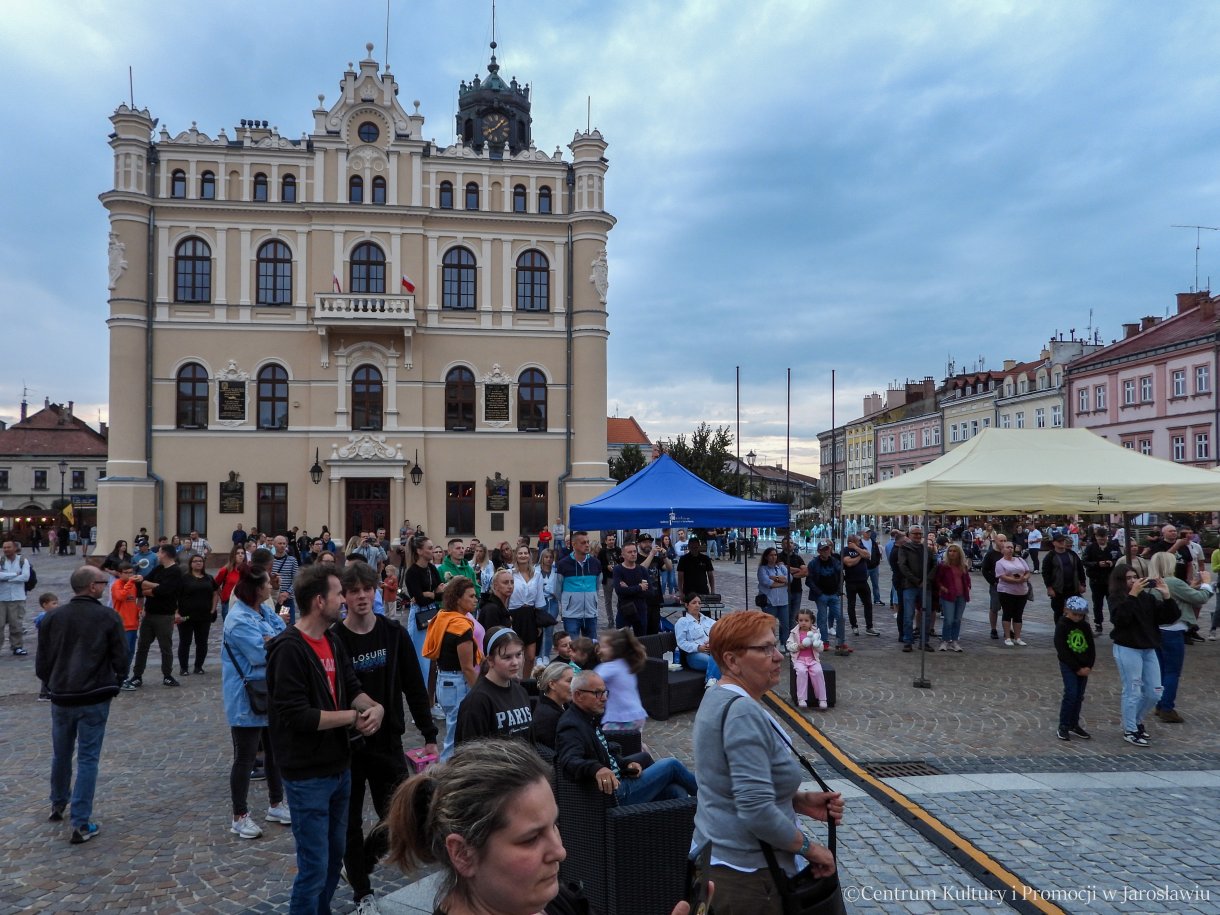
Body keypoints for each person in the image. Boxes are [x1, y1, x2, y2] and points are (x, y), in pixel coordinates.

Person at [691, 610, 843, 913]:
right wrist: (812, 850)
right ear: (732, 661)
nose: (778, 656)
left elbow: (730, 784)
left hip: (722, 861)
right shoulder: (742, 712)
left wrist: (797, 800)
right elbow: (756, 810)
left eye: (775, 646)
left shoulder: (719, 697)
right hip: (748, 878)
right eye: (765, 649)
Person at [266, 563, 385, 915]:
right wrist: (352, 718)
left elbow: (350, 687)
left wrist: (372, 706)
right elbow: (296, 715)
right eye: (338, 595)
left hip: (339, 766)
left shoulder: (332, 639)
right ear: (320, 601)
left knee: (334, 861)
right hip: (307, 775)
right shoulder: (288, 649)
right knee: (314, 867)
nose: (345, 601)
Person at [332, 561, 438, 912]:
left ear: (376, 591)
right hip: (347, 746)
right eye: (354, 591)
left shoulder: (393, 634)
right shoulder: (334, 640)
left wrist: (428, 732)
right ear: (344, 596)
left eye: (367, 589)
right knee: (348, 822)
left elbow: (413, 686)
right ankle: (363, 893)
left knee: (398, 818)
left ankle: (358, 862)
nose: (361, 596)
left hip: (387, 742)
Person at [37, 566, 128, 843]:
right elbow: (121, 659)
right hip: (94, 695)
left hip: (62, 695)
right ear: (92, 587)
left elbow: (42, 663)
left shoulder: (53, 617)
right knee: (88, 758)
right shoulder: (108, 616)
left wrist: (53, 682)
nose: (104, 586)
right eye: (102, 582)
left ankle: (58, 803)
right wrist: (115, 680)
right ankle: (80, 821)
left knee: (61, 753)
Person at [556, 669, 696, 805]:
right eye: (597, 693)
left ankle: (683, 823)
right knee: (672, 765)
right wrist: (596, 769)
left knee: (677, 791)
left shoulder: (589, 717)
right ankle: (712, 798)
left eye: (604, 692)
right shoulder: (571, 725)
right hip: (616, 794)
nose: (604, 698)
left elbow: (606, 753)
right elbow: (568, 761)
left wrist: (625, 764)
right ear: (578, 695)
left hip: (622, 781)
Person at [221, 566, 289, 840]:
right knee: (245, 757)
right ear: (255, 589)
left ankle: (276, 804)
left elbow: (282, 635)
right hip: (246, 696)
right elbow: (261, 654)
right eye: (266, 583)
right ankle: (239, 816)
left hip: (269, 692)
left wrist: (275, 640)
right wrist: (274, 641)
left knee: (275, 753)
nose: (271, 585)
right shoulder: (238, 619)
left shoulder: (263, 611)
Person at [1108, 565, 1178, 746]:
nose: (1132, 581)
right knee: (1133, 691)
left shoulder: (1146, 598)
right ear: (1120, 581)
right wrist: (1132, 595)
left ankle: (1137, 721)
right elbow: (1120, 619)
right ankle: (1130, 729)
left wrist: (1166, 596)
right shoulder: (1117, 598)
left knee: (1155, 692)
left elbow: (1168, 617)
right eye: (1128, 578)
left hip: (1148, 648)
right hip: (1127, 648)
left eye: (1134, 577)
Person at [1147, 550, 1214, 725]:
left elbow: (1177, 596)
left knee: (1161, 671)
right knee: (1172, 672)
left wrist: (1191, 586)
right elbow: (1200, 598)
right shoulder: (1173, 581)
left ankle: (1160, 704)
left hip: (1157, 630)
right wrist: (1207, 583)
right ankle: (1167, 708)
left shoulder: (1151, 582)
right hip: (1173, 630)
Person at [422, 578, 481, 761]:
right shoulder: (461, 627)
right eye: (470, 596)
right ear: (458, 599)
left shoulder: (443, 617)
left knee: (454, 730)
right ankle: (447, 774)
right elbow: (467, 668)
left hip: (444, 682)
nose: (475, 599)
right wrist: (482, 690)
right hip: (457, 684)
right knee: (454, 738)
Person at [454, 626, 533, 746]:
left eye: (518, 654)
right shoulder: (477, 701)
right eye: (507, 657)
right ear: (490, 660)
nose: (515, 662)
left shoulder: (521, 692)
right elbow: (469, 754)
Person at [125, 545, 184, 688]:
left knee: (165, 647)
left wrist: (151, 588)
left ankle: (167, 676)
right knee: (143, 646)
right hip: (149, 613)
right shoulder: (158, 569)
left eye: (159, 551)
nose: (157, 554)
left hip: (165, 615)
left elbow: (166, 591)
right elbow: (141, 585)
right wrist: (154, 586)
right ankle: (137, 676)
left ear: (165, 554)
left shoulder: (175, 571)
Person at [1054, 595, 1095, 742]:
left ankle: (1074, 723)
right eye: (1075, 614)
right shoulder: (1062, 625)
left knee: (1079, 696)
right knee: (1071, 694)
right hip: (1070, 665)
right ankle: (1063, 726)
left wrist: (1089, 666)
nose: (1077, 618)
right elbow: (1062, 650)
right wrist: (1077, 667)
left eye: (1081, 615)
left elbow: (1091, 647)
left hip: (1084, 665)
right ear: (1067, 611)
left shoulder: (1084, 626)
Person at [594, 627, 648, 736]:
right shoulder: (626, 663)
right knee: (633, 744)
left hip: (621, 717)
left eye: (604, 646)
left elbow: (590, 680)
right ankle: (643, 752)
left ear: (615, 648)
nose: (600, 650)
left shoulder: (609, 667)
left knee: (607, 743)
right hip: (637, 715)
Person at [403, 535, 442, 682]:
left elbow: (442, 594)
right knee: (422, 657)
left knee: (434, 657)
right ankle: (423, 694)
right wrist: (434, 594)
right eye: (430, 548)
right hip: (420, 615)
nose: (433, 551)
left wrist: (430, 594)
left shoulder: (431, 568)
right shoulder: (412, 572)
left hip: (434, 612)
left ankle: (433, 697)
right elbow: (419, 600)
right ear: (419, 551)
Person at [895, 525, 937, 652]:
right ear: (909, 535)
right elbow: (903, 566)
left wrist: (926, 580)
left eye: (919, 534)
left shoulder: (928, 550)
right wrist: (917, 580)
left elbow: (934, 565)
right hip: (910, 585)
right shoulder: (904, 548)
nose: (918, 536)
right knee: (908, 615)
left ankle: (924, 642)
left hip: (926, 586)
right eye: (915, 534)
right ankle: (908, 641)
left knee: (927, 615)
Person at [177, 553, 218, 676]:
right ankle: (183, 668)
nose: (198, 563)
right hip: (186, 616)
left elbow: (215, 593)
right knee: (185, 642)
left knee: (202, 642)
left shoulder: (209, 578)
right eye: (195, 561)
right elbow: (176, 596)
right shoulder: (184, 578)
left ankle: (198, 666)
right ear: (191, 563)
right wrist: (176, 612)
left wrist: (213, 609)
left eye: (200, 561)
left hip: (204, 616)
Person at [555, 531, 601, 640]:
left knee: (591, 647)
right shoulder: (563, 564)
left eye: (588, 542)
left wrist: (592, 600)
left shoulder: (595, 563)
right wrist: (568, 603)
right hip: (571, 615)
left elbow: (597, 586)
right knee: (573, 648)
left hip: (591, 613)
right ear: (574, 544)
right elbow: (557, 589)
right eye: (583, 542)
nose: (587, 545)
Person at [806, 541, 845, 654]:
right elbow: (809, 580)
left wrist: (838, 590)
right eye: (823, 549)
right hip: (821, 595)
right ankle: (824, 641)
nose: (826, 551)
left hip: (833, 594)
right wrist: (818, 593)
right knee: (822, 619)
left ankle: (840, 642)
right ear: (819, 551)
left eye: (827, 549)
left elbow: (841, 575)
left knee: (840, 617)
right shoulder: (813, 563)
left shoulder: (834, 561)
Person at [508, 546, 542, 672]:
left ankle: (526, 683)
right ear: (516, 555)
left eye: (525, 553)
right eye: (520, 553)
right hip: (514, 614)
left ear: (529, 555)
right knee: (514, 654)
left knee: (531, 656)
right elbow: (506, 596)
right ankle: (514, 680)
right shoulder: (510, 573)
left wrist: (539, 623)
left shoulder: (537, 574)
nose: (523, 555)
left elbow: (539, 598)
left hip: (530, 615)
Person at [674, 593, 720, 687]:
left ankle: (713, 684)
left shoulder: (708, 620)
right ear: (687, 605)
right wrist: (698, 647)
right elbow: (681, 642)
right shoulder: (683, 622)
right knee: (720, 661)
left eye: (699, 603)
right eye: (694, 603)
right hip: (694, 655)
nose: (697, 605)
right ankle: (711, 682)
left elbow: (722, 631)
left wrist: (712, 642)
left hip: (712, 652)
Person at [1082, 528, 1121, 635]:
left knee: (1113, 602)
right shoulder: (1090, 547)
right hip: (1096, 580)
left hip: (1111, 580)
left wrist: (1111, 563)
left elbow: (1120, 558)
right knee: (1097, 604)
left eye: (1104, 539)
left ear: (1107, 537)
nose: (1102, 541)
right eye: (1100, 539)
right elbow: (1084, 561)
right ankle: (1098, 624)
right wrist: (1097, 564)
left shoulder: (1113, 546)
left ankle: (1116, 624)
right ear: (1096, 537)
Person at [1040, 533, 1087, 624]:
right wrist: (1049, 588)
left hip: (1073, 588)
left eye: (1063, 541)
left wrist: (1082, 583)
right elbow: (1046, 573)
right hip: (1058, 589)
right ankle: (1060, 631)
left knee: (1078, 609)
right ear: (1054, 543)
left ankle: (1077, 629)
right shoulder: (1050, 556)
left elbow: (1080, 569)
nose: (1062, 543)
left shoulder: (1072, 554)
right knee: (1058, 612)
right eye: (1059, 541)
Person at [787, 608, 827, 710]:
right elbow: (789, 645)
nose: (803, 623)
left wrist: (816, 645)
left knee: (818, 672)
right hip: (799, 659)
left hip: (812, 659)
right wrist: (797, 646)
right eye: (801, 621)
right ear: (797, 621)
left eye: (806, 621)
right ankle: (801, 698)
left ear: (811, 621)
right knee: (801, 672)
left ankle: (822, 698)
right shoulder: (794, 632)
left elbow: (821, 648)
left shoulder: (815, 632)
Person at [529, 661, 574, 750]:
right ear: (552, 684)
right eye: (569, 681)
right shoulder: (546, 717)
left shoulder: (565, 705)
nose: (574, 685)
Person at [935, 542, 971, 652]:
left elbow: (967, 579)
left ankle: (954, 641)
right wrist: (943, 588)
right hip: (948, 595)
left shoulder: (963, 566)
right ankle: (945, 640)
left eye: (954, 551)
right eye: (950, 551)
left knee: (957, 619)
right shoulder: (943, 565)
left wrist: (968, 587)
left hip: (961, 595)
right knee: (948, 619)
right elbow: (937, 580)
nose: (952, 553)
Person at [995, 540, 1031, 647]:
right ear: (1002, 550)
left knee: (1018, 614)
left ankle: (1018, 637)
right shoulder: (1000, 563)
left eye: (1011, 547)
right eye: (1007, 547)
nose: (1010, 549)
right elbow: (1002, 576)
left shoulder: (1020, 559)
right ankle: (1007, 637)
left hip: (1022, 591)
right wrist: (1015, 580)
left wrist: (1024, 578)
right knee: (1007, 613)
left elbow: (1027, 571)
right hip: (1006, 591)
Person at [611, 540, 650, 638]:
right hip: (625, 610)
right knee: (621, 641)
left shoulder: (642, 570)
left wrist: (629, 588)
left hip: (641, 610)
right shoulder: (618, 569)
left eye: (634, 551)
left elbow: (650, 592)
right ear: (623, 555)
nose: (633, 554)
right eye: (629, 552)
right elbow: (620, 591)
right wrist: (640, 587)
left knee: (642, 641)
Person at [0, 539, 32, 655]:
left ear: (15, 548)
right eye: (4, 547)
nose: (6, 549)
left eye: (8, 547)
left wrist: (6, 578)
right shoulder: (1, 561)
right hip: (1, 598)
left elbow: (25, 577)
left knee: (16, 624)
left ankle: (17, 646)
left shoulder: (23, 561)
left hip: (18, 597)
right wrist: (14, 575)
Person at [110, 562, 141, 676]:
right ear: (119, 573)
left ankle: (125, 675)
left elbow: (132, 602)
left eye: (131, 572)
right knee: (123, 653)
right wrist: (130, 582)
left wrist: (138, 611)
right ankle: (120, 676)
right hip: (123, 625)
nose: (129, 575)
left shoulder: (132, 585)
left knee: (130, 653)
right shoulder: (117, 584)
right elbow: (121, 596)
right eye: (126, 573)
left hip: (133, 624)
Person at [839, 534, 871, 642]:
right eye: (858, 541)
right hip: (851, 582)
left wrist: (857, 549)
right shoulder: (845, 550)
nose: (860, 542)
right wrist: (859, 556)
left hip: (863, 581)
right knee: (851, 605)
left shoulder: (861, 548)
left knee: (868, 603)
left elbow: (867, 555)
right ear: (851, 541)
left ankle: (869, 626)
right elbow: (848, 563)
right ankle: (854, 626)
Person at [756, 547, 791, 643]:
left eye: (775, 555)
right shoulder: (762, 569)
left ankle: (785, 643)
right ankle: (771, 643)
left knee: (785, 624)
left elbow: (790, 578)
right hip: (770, 601)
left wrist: (775, 578)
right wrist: (783, 582)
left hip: (783, 600)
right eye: (771, 555)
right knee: (770, 625)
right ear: (766, 557)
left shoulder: (781, 567)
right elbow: (767, 583)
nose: (773, 557)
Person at [981, 533, 1007, 640]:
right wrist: (993, 581)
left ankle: (1007, 629)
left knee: (1008, 608)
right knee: (994, 607)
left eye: (1005, 540)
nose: (1004, 543)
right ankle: (993, 628)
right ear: (995, 541)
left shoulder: (1009, 553)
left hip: (1009, 585)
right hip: (996, 585)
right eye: (1001, 541)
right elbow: (985, 570)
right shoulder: (991, 554)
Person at [271, 535, 301, 625]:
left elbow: (297, 579)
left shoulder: (292, 560)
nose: (282, 545)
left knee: (287, 624)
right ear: (274, 545)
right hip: (273, 600)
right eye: (280, 543)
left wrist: (287, 593)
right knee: (274, 625)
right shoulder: (270, 560)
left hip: (286, 600)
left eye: (284, 543)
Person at [214, 544, 246, 620]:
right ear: (233, 555)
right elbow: (215, 584)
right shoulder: (225, 570)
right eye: (238, 553)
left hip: (243, 603)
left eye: (242, 553)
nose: (240, 555)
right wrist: (222, 595)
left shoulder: (247, 570)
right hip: (228, 603)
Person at [596, 533, 621, 628]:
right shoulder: (602, 552)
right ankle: (611, 620)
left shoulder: (618, 550)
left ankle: (620, 618)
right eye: (609, 540)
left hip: (618, 577)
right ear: (606, 541)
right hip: (608, 578)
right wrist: (606, 567)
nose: (611, 541)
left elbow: (623, 561)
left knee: (621, 599)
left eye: (612, 539)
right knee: (608, 600)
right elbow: (599, 565)